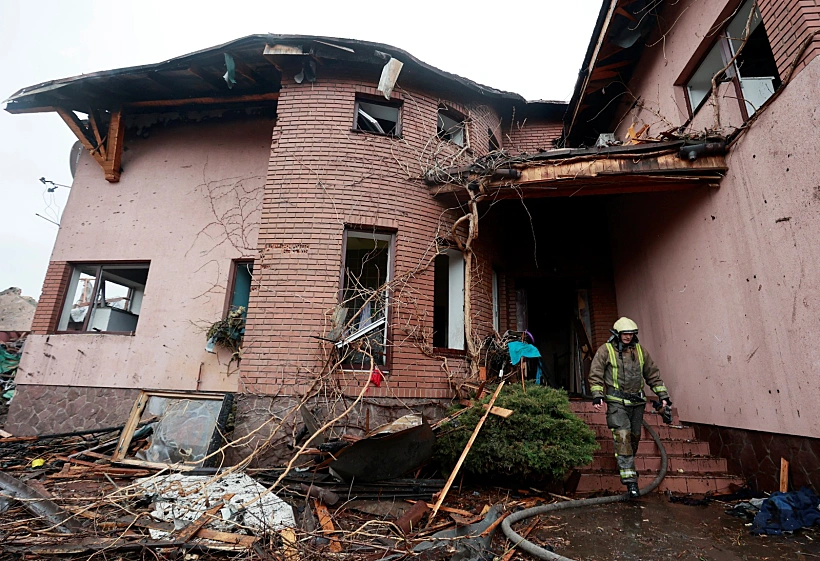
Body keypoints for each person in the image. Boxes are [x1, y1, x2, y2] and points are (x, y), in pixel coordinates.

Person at [588, 317, 671, 498]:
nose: (628, 337)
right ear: (617, 334)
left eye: (631, 334)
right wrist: (597, 395)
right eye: (625, 334)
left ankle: (627, 465)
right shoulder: (606, 350)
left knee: (633, 438)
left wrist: (663, 395)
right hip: (616, 402)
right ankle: (630, 481)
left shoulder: (641, 352)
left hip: (637, 403)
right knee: (623, 435)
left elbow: (652, 374)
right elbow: (595, 373)